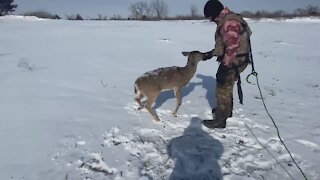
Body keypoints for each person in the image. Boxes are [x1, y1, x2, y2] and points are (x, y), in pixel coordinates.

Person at [201, 0, 252, 129]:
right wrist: (210, 54)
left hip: (235, 60)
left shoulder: (229, 23)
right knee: (227, 84)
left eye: (210, 18)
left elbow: (232, 46)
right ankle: (226, 112)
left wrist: (225, 66)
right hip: (235, 58)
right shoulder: (226, 19)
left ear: (215, 14)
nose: (211, 21)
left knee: (222, 86)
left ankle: (220, 119)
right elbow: (223, 45)